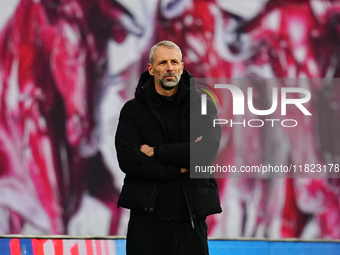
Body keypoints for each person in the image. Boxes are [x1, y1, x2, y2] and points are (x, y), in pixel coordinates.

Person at [115, 40, 222, 255]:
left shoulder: (202, 105)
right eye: (163, 62)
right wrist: (179, 167)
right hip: (146, 220)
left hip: (190, 219)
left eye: (174, 62)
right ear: (151, 69)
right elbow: (128, 160)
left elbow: (206, 152)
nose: (170, 67)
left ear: (182, 67)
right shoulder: (132, 110)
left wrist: (156, 152)